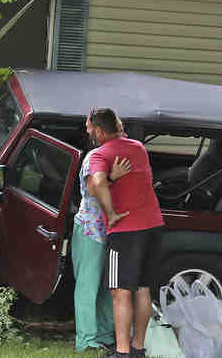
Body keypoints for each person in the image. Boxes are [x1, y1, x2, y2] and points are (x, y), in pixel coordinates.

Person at [85, 108, 165, 358]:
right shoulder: (138, 148)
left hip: (125, 232)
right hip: (152, 225)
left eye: (89, 129)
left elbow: (94, 185)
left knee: (120, 292)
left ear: (98, 131)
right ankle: (137, 348)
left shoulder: (99, 154)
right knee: (142, 289)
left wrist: (110, 213)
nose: (88, 133)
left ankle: (121, 353)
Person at [72, 119, 131, 352]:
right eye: (120, 131)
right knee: (88, 286)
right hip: (91, 230)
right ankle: (86, 341)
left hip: (112, 231)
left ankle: (106, 334)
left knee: (109, 287)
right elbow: (93, 189)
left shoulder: (119, 158)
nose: (124, 135)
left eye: (124, 131)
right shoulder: (93, 158)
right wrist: (113, 177)